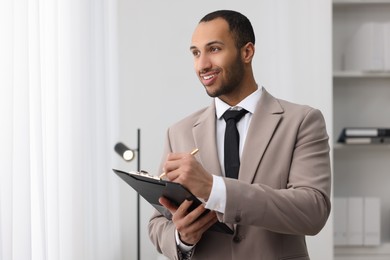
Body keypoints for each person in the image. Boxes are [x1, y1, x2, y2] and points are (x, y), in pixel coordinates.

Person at [148, 10, 331, 260]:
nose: (202, 65)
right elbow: (159, 222)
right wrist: (182, 239)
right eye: (196, 53)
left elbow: (313, 211)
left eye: (214, 49)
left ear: (247, 52)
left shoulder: (302, 121)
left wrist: (215, 189)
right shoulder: (178, 132)